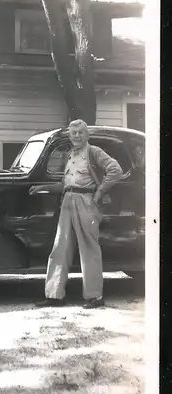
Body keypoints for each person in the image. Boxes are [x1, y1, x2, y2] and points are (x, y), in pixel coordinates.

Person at [30, 119, 123, 309]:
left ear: (86, 134)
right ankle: (54, 295)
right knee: (60, 248)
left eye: (81, 132)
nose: (77, 136)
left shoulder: (93, 152)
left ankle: (95, 297)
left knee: (88, 249)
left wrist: (99, 193)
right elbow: (66, 185)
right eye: (74, 133)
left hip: (86, 202)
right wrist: (43, 187)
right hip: (67, 202)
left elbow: (115, 170)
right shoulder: (70, 155)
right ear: (70, 136)